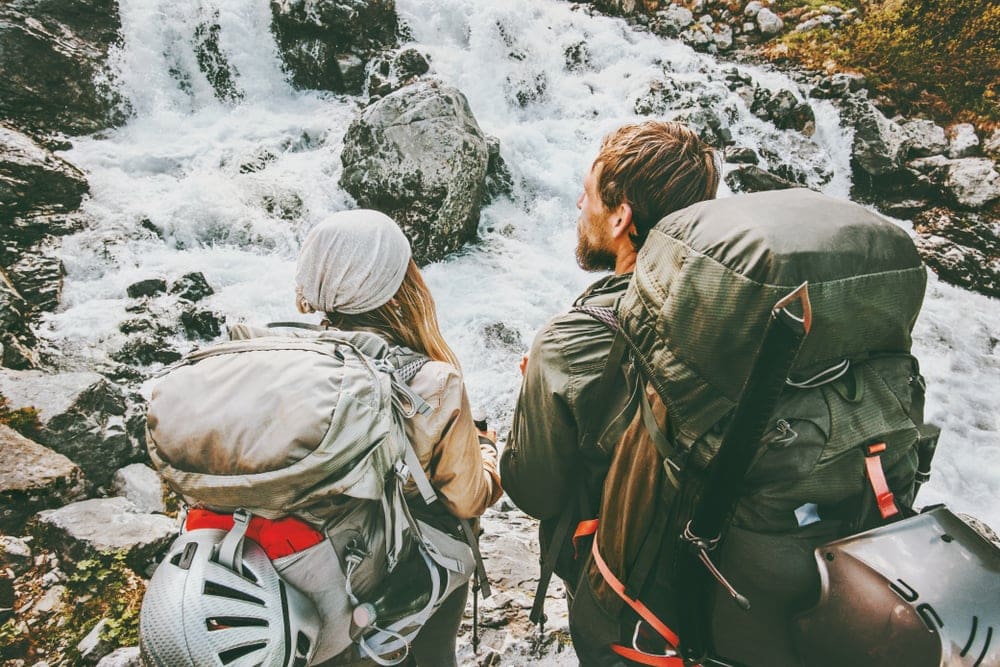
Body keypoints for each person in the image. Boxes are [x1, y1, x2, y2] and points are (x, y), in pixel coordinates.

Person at [500, 120, 720, 664]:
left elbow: (534, 491)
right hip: (732, 591)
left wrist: (533, 400)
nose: (579, 202)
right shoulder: (734, 315)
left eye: (590, 192)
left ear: (622, 217)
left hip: (633, 606)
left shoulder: (571, 341)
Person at [295, 209, 504, 666]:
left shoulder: (289, 364)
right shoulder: (431, 382)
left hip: (305, 577)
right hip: (396, 583)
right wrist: (487, 452)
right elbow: (467, 501)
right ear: (397, 284)